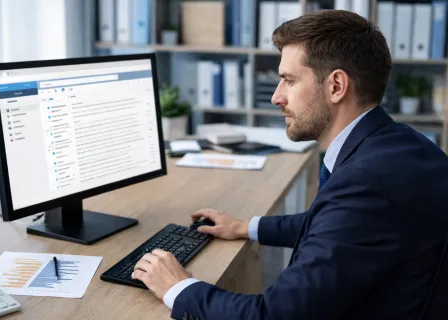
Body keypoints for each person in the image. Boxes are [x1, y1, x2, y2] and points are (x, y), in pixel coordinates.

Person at [131, 9, 448, 320]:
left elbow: (273, 314)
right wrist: (247, 227)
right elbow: (332, 224)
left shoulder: (366, 184)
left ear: (336, 86)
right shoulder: (402, 144)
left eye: (288, 80)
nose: (276, 97)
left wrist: (178, 287)